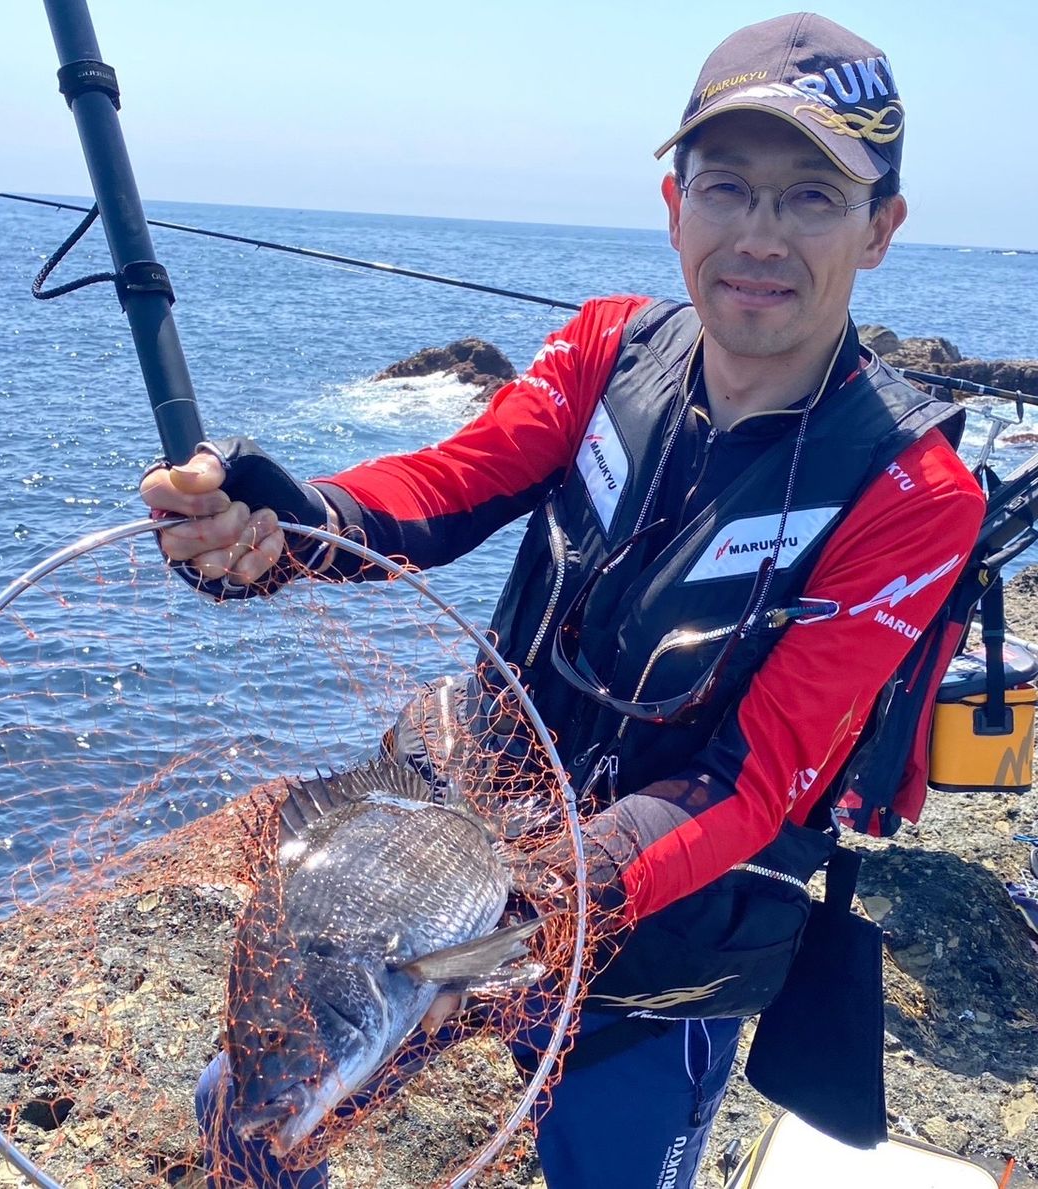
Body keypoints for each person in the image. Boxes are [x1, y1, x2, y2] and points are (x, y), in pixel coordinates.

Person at [142, 13, 986, 1189]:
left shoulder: (915, 489)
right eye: (727, 185)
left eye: (811, 196)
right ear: (672, 201)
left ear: (881, 227)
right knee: (247, 1108)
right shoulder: (606, 349)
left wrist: (552, 896)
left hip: (666, 927)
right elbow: (443, 488)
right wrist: (289, 524)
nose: (758, 234)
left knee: (610, 1170)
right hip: (463, 877)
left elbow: (759, 775)